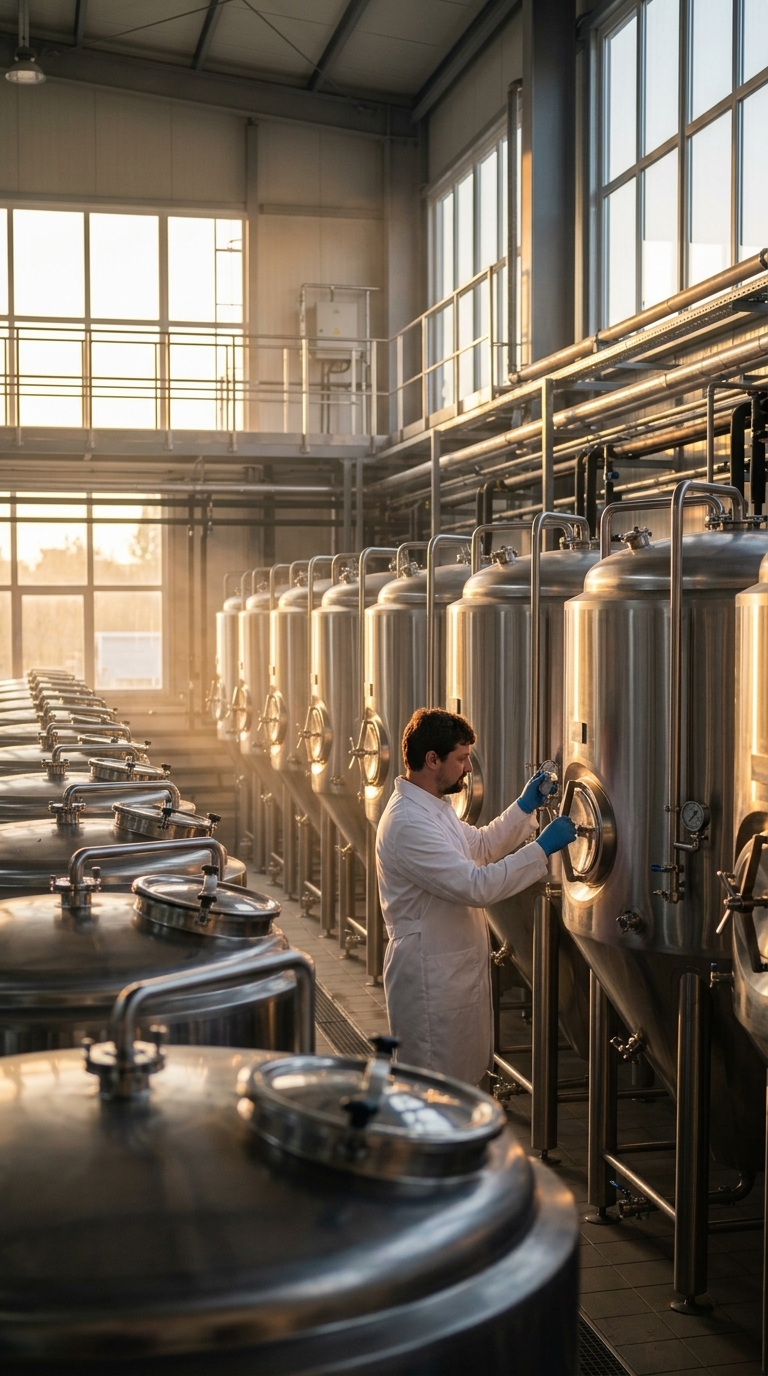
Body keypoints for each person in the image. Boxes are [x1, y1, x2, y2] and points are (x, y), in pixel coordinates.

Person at [375, 707, 576, 1086]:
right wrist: (541, 849)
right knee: (432, 1091)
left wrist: (524, 807)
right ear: (432, 760)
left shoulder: (433, 808)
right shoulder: (407, 823)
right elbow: (476, 885)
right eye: (462, 759)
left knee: (458, 1084)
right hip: (427, 977)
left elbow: (480, 846)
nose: (469, 769)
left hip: (449, 970)